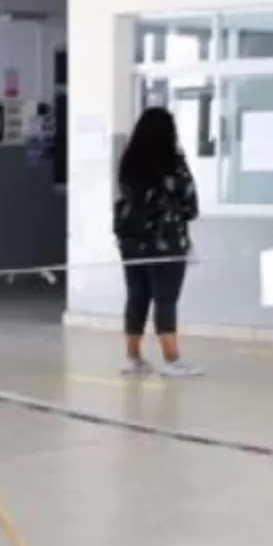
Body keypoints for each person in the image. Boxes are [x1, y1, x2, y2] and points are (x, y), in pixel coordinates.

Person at [113, 107, 201, 377]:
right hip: (166, 242)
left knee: (137, 295)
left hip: (131, 241)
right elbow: (190, 205)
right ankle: (171, 358)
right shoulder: (173, 164)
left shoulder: (129, 163)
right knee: (165, 298)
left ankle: (133, 356)